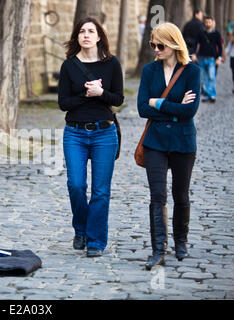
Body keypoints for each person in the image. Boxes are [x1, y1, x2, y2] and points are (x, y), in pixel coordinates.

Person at [58, 17, 124, 257]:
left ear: (98, 37)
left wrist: (102, 92)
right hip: (74, 133)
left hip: (104, 133)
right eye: (82, 31)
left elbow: (118, 99)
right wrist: (88, 94)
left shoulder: (112, 64)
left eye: (91, 31)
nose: (86, 34)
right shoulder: (69, 66)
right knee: (76, 185)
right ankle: (81, 229)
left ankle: (95, 241)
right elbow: (63, 103)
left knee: (100, 191)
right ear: (78, 37)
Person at [137, 22, 200, 270]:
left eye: (160, 45)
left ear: (174, 44)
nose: (156, 49)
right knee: (157, 196)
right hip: (155, 143)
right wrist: (174, 108)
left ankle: (181, 242)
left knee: (181, 196)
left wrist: (159, 104)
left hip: (184, 142)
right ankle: (158, 249)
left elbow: (190, 111)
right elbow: (142, 108)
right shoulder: (149, 70)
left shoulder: (192, 71)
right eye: (153, 44)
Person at [192, 16, 223, 102]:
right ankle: (206, 95)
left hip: (212, 59)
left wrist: (219, 58)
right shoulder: (200, 33)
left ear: (212, 22)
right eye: (206, 22)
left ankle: (212, 95)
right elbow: (195, 44)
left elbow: (220, 47)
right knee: (203, 78)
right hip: (201, 58)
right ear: (204, 23)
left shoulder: (216, 33)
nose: (208, 24)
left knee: (211, 77)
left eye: (209, 22)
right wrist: (194, 54)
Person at [226, 23, 234, 93]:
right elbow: (228, 48)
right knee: (233, 73)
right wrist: (224, 54)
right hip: (233, 57)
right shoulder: (232, 40)